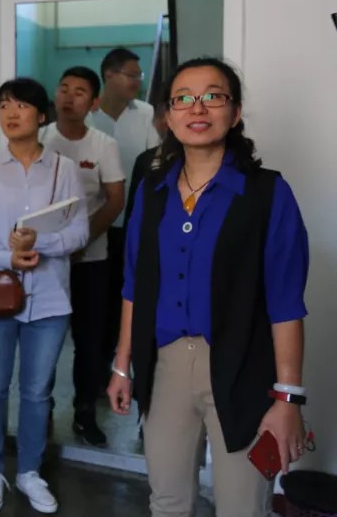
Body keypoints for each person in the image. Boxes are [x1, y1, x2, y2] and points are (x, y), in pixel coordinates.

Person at [107, 58, 310, 517]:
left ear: (234, 113)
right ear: (168, 115)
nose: (197, 108)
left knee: (242, 506)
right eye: (183, 99)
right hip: (165, 366)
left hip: (243, 367)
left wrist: (287, 398)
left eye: (213, 96)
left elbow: (285, 304)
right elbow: (134, 284)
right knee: (168, 502)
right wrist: (122, 366)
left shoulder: (268, 194)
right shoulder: (151, 191)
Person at [0, 78, 89, 514]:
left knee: (37, 392)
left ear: (41, 115)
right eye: (3, 106)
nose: (11, 113)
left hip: (49, 299)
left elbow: (80, 231)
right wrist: (7, 256)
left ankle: (29, 471)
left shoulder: (64, 169)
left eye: (21, 105)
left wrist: (39, 245)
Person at [40, 67, 125, 448]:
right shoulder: (41, 139)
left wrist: (79, 241)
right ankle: (39, 412)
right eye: (63, 89)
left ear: (93, 103)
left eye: (79, 92)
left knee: (89, 342)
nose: (68, 97)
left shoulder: (103, 144)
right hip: (46, 260)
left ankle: (84, 413)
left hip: (91, 259)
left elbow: (115, 200)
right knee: (44, 339)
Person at [88, 47, 161, 359]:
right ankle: (97, 367)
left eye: (139, 75)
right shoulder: (88, 116)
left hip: (133, 224)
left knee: (128, 298)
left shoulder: (145, 114)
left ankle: (123, 360)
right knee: (96, 303)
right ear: (109, 75)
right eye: (131, 75)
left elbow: (156, 165)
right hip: (93, 225)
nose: (137, 81)